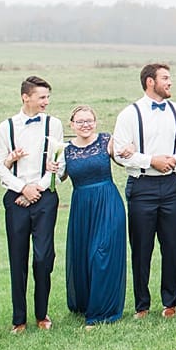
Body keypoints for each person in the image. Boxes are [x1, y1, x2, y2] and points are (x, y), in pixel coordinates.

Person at [112, 63, 176, 319]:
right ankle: (142, 304)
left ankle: (170, 302)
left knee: (173, 244)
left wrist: (172, 159)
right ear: (150, 81)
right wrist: (150, 161)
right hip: (142, 185)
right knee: (141, 247)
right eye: (165, 78)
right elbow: (120, 152)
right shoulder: (129, 114)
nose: (170, 83)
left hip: (171, 184)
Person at [0, 76, 64, 333]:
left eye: (47, 97)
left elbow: (59, 162)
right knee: (18, 257)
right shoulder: (6, 127)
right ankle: (18, 319)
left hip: (45, 196)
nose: (46, 102)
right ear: (26, 97)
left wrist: (38, 188)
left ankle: (42, 313)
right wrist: (22, 188)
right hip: (16, 198)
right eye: (42, 97)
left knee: (44, 257)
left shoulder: (53, 125)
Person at [55, 105, 126, 326]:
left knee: (101, 253)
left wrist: (130, 151)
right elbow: (60, 177)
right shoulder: (66, 149)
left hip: (107, 202)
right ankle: (86, 301)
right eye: (80, 121)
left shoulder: (107, 140)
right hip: (81, 206)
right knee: (84, 256)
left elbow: (124, 159)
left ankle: (102, 311)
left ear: (96, 122)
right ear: (72, 125)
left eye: (89, 121)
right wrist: (52, 169)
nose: (85, 125)